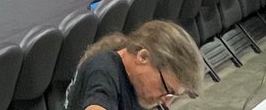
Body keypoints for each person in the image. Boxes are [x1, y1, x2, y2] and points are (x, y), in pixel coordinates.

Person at [66, 21, 203, 110]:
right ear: (143, 57)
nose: (165, 103)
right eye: (166, 89)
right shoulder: (102, 70)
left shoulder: (135, 84)